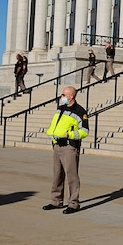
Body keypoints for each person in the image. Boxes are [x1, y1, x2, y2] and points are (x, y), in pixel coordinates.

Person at [43, 86, 89, 214]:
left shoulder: (80, 111)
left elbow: (84, 131)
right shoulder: (61, 108)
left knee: (72, 175)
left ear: (71, 96)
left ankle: (73, 203)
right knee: (57, 175)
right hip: (57, 145)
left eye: (64, 94)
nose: (61, 97)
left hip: (69, 146)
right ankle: (56, 201)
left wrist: (70, 135)